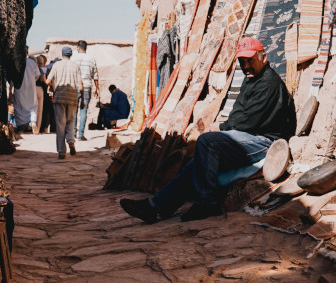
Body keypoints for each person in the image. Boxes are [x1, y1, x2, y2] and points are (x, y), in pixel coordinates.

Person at [120, 37, 295, 223]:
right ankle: (156, 207)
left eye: (250, 60)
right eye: (242, 61)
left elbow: (247, 122)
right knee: (197, 163)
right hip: (248, 136)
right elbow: (238, 113)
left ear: (264, 57)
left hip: (264, 142)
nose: (246, 66)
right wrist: (223, 128)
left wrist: (219, 128)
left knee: (206, 142)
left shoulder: (268, 83)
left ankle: (206, 202)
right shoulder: (251, 79)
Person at [45, 46, 84, 159]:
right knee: (70, 122)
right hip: (72, 98)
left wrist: (53, 87)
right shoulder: (75, 66)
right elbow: (80, 85)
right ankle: (71, 141)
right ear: (71, 55)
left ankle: (62, 152)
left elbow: (48, 81)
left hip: (59, 97)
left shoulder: (57, 65)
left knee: (60, 125)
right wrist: (82, 100)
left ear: (62, 54)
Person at [71, 40, 99, 141]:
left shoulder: (73, 58)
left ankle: (73, 133)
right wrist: (97, 88)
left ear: (78, 47)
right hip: (86, 87)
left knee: (73, 111)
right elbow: (95, 75)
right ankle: (80, 135)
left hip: (74, 86)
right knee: (83, 111)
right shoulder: (91, 58)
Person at [11, 55, 39, 132]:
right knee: (32, 106)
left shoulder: (16, 62)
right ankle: (33, 123)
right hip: (31, 87)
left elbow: (12, 77)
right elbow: (37, 75)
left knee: (19, 106)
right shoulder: (33, 62)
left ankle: (21, 126)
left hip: (19, 87)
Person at [34, 55, 48, 134]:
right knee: (40, 110)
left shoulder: (33, 68)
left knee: (32, 109)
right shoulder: (43, 70)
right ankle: (38, 128)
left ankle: (31, 125)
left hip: (32, 89)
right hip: (40, 89)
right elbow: (45, 81)